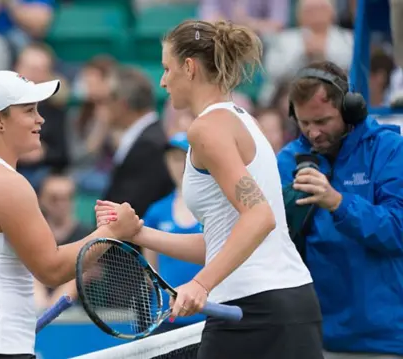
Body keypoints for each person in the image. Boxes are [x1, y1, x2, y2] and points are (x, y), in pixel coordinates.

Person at [96, 20, 323, 359]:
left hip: (255, 310)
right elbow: (223, 241)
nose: (162, 81)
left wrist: (201, 283)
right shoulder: (243, 118)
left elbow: (260, 217)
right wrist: (139, 233)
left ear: (189, 68)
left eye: (166, 68)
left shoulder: (207, 129)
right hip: (289, 302)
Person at [0, 70, 142, 359]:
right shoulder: (7, 183)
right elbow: (51, 270)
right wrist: (112, 232)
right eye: (29, 111)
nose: (40, 119)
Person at [277, 61, 403, 359]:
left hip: (383, 338)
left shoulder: (388, 149)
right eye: (304, 123)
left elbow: (398, 229)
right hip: (313, 336)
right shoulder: (288, 160)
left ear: (350, 110)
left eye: (322, 121)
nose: (313, 133)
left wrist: (337, 203)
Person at [141, 131, 205, 334]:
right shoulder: (156, 212)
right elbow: (151, 272)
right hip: (167, 318)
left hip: (208, 316)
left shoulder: (213, 207)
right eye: (174, 159)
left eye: (185, 158)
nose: (180, 166)